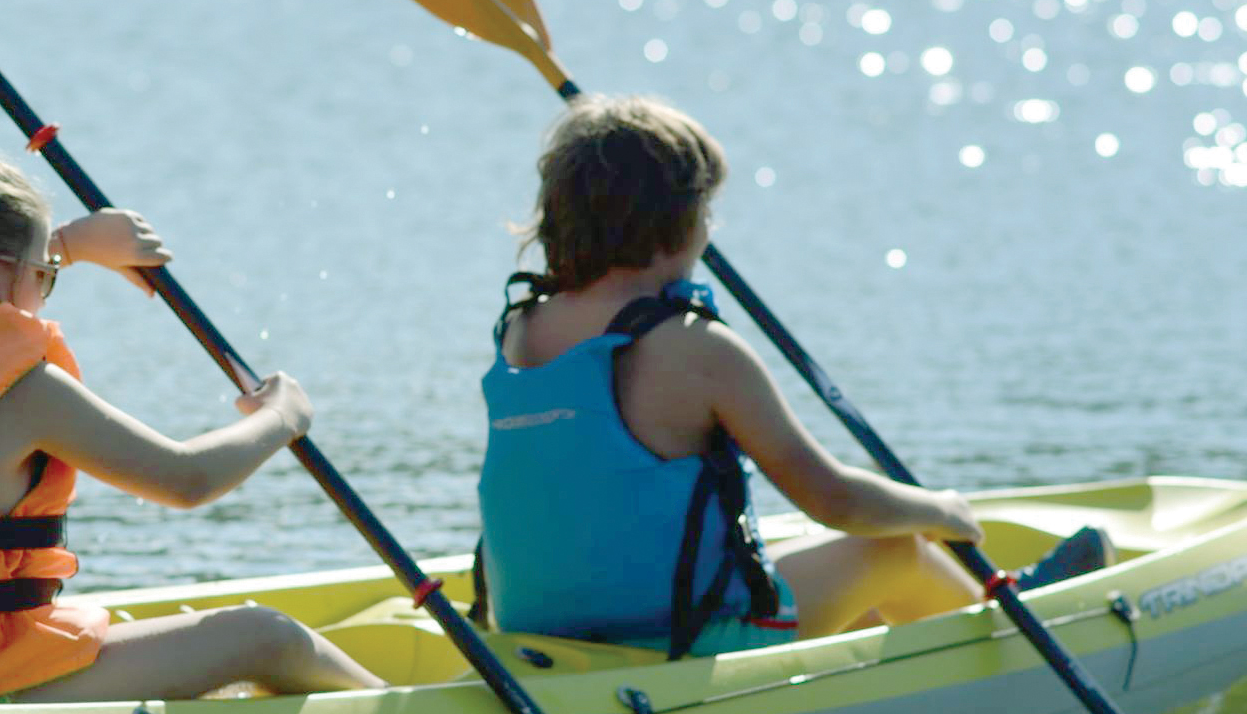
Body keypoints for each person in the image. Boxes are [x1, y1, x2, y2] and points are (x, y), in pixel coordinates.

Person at [475, 94, 1113, 659]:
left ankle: (900, 656)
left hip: (542, 629)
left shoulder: (523, 329)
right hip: (678, 641)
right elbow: (834, 499)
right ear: (682, 222)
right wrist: (942, 511)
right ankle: (1010, 626)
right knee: (893, 551)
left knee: (833, 584)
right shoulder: (698, 350)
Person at [0, 119, 385, 702]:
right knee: (264, 637)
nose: (45, 287)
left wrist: (68, 244)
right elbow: (186, 479)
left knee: (97, 622)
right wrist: (282, 416)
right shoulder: (23, 389)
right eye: (45, 275)